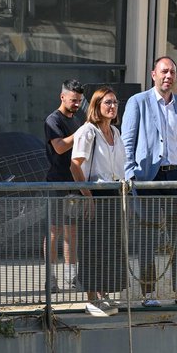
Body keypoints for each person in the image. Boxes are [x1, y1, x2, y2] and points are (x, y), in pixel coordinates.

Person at [121, 55, 177, 307]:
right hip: (148, 176)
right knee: (148, 236)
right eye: (164, 71)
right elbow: (127, 142)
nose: (168, 76)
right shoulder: (138, 102)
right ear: (153, 74)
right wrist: (130, 174)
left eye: (172, 72)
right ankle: (148, 293)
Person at [70, 88, 126, 317]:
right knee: (92, 247)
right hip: (94, 193)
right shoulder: (87, 131)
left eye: (115, 102)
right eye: (107, 102)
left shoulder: (115, 131)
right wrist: (88, 196)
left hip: (113, 194)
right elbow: (75, 164)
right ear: (97, 105)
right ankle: (91, 298)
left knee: (109, 247)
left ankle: (103, 296)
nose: (112, 106)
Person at [44, 79, 85, 293]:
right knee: (54, 231)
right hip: (57, 183)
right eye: (73, 100)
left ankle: (71, 277)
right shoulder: (53, 120)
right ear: (62, 97)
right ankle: (50, 278)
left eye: (79, 100)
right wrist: (80, 133)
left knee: (72, 232)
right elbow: (59, 148)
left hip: (74, 183)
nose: (76, 104)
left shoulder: (77, 120)